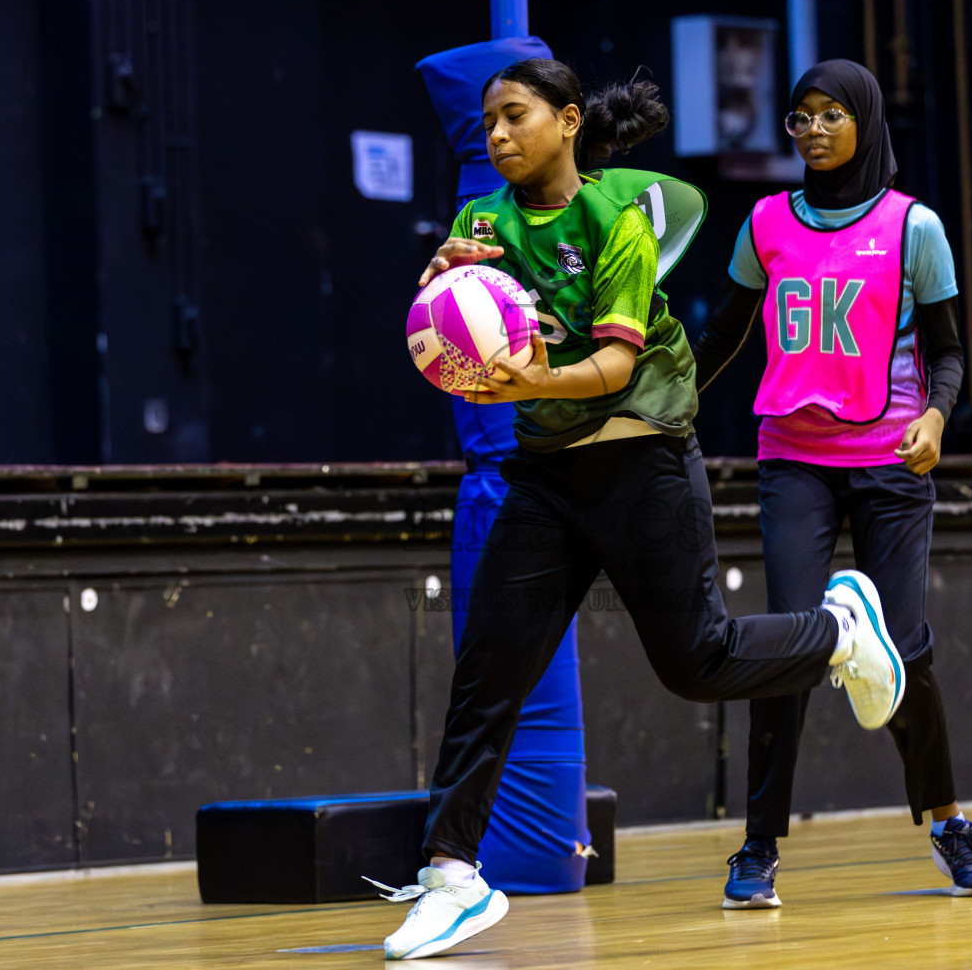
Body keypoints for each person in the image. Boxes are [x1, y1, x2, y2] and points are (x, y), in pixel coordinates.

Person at [371, 57, 906, 961]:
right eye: (489, 124)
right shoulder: (479, 221)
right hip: (546, 481)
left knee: (699, 661)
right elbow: (455, 319)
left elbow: (616, 367)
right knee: (486, 672)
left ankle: (839, 633)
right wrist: (438, 296)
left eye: (515, 118)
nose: (497, 136)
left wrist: (533, 377)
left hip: (644, 465)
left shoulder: (615, 220)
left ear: (569, 120)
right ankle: (452, 877)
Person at [692, 59, 972, 909]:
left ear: (867, 120)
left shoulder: (916, 228)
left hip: (890, 464)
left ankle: (946, 820)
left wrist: (937, 418)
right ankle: (757, 847)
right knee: (787, 649)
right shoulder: (764, 224)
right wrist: (664, 400)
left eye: (833, 113)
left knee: (903, 652)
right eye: (801, 116)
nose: (816, 129)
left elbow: (947, 352)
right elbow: (724, 333)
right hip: (794, 461)